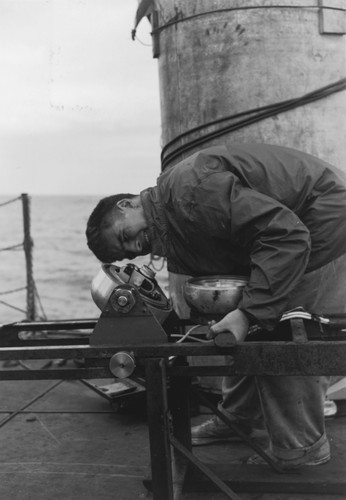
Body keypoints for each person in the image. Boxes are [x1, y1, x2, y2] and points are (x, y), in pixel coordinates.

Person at [86, 143, 346, 469]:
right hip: (299, 226)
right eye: (128, 252)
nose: (135, 247)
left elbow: (287, 237)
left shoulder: (188, 192)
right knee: (255, 312)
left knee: (286, 330)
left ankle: (303, 448)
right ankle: (240, 419)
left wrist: (249, 313)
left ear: (127, 205)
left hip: (323, 218)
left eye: (125, 235)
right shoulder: (173, 216)